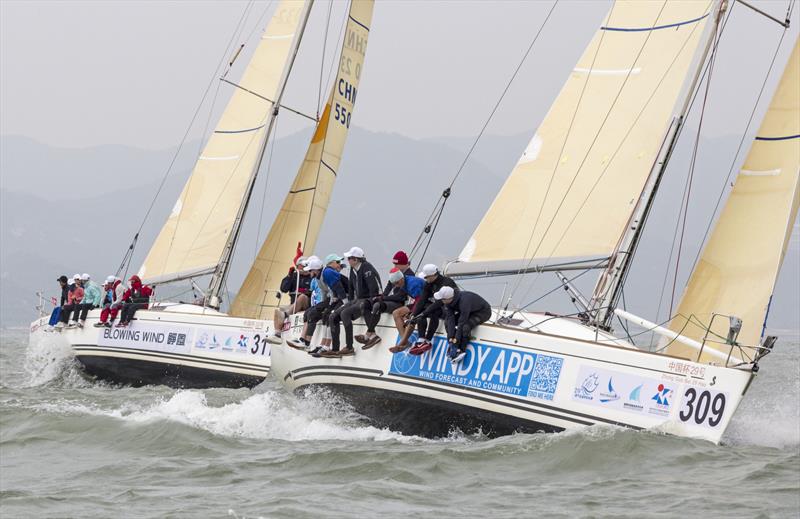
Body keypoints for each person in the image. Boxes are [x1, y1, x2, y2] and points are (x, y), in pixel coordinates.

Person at [321, 246, 381, 357]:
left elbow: (374, 289)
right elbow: (350, 289)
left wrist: (371, 304)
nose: (347, 261)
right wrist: (348, 303)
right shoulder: (353, 270)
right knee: (333, 316)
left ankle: (350, 347)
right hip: (358, 300)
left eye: (349, 258)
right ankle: (335, 349)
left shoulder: (366, 267)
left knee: (345, 313)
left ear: (356, 259)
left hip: (369, 299)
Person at [357, 250, 415, 349]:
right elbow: (388, 286)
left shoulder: (410, 275)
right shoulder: (396, 272)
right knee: (366, 304)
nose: (394, 267)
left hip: (399, 303)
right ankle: (373, 334)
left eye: (396, 265)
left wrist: (383, 298)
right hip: (389, 300)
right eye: (394, 264)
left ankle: (368, 333)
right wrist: (381, 297)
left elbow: (400, 296)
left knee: (377, 305)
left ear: (403, 264)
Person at [403, 264, 458, 355]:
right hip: (439, 305)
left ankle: (428, 340)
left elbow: (440, 302)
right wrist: (414, 314)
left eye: (426, 277)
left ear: (433, 275)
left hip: (450, 307)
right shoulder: (429, 283)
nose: (425, 279)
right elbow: (422, 300)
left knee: (433, 312)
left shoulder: (446, 282)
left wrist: (425, 312)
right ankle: (421, 339)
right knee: (421, 311)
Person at [436, 286, 492, 364]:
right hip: (469, 311)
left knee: (465, 327)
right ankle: (454, 345)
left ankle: (461, 349)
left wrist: (456, 341)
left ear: (448, 298)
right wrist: (450, 339)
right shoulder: (447, 302)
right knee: (447, 322)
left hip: (483, 312)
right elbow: (450, 319)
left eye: (442, 299)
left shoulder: (464, 301)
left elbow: (461, 323)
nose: (441, 301)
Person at [266, 257, 314, 344]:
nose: (305, 269)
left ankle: (285, 314)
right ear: (298, 266)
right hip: (294, 304)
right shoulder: (294, 276)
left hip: (307, 303)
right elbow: (284, 289)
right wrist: (289, 276)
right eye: (303, 266)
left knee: (302, 297)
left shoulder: (312, 276)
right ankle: (277, 334)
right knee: (279, 310)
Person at [386, 269, 426, 353]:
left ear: (401, 278)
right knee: (396, 313)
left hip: (427, 302)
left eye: (397, 283)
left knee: (412, 317)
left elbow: (420, 301)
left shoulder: (413, 284)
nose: (396, 286)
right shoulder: (403, 282)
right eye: (394, 284)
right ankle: (406, 342)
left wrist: (411, 313)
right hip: (419, 301)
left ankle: (402, 342)